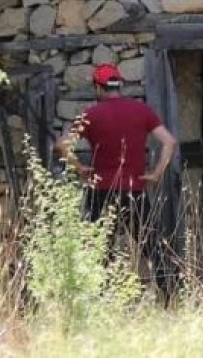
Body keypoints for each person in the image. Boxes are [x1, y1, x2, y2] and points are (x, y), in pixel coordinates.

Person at [55, 63, 177, 291]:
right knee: (152, 247)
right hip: (135, 191)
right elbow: (170, 142)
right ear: (119, 85)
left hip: (100, 191)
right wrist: (157, 173)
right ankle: (170, 296)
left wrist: (79, 168)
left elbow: (62, 144)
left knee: (97, 249)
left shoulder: (91, 114)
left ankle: (100, 298)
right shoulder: (142, 111)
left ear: (98, 88)